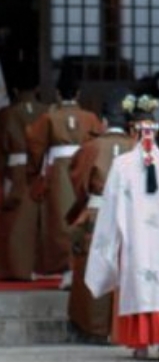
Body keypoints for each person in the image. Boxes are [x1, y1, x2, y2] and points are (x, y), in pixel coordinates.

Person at [85, 94, 159, 361]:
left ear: (133, 130)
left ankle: (141, 343)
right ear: (156, 129)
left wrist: (109, 241)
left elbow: (109, 209)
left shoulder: (122, 165)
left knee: (137, 281)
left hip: (135, 235)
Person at [65, 91, 133, 341]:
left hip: (97, 211)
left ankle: (91, 328)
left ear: (103, 122)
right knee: (125, 269)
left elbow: (78, 181)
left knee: (92, 267)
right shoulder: (135, 147)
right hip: (129, 215)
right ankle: (125, 329)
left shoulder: (91, 147)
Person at [26, 68, 102, 278]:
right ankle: (78, 262)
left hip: (59, 170)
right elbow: (100, 145)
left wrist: (33, 173)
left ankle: (56, 265)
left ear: (58, 94)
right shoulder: (90, 118)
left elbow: (34, 144)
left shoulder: (49, 117)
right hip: (84, 168)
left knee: (57, 218)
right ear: (78, 94)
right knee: (80, 214)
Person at [0, 62, 48, 280]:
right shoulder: (47, 112)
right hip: (41, 169)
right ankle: (39, 267)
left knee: (13, 221)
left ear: (15, 90)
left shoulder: (7, 114)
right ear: (38, 88)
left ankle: (15, 267)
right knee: (41, 220)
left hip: (16, 170)